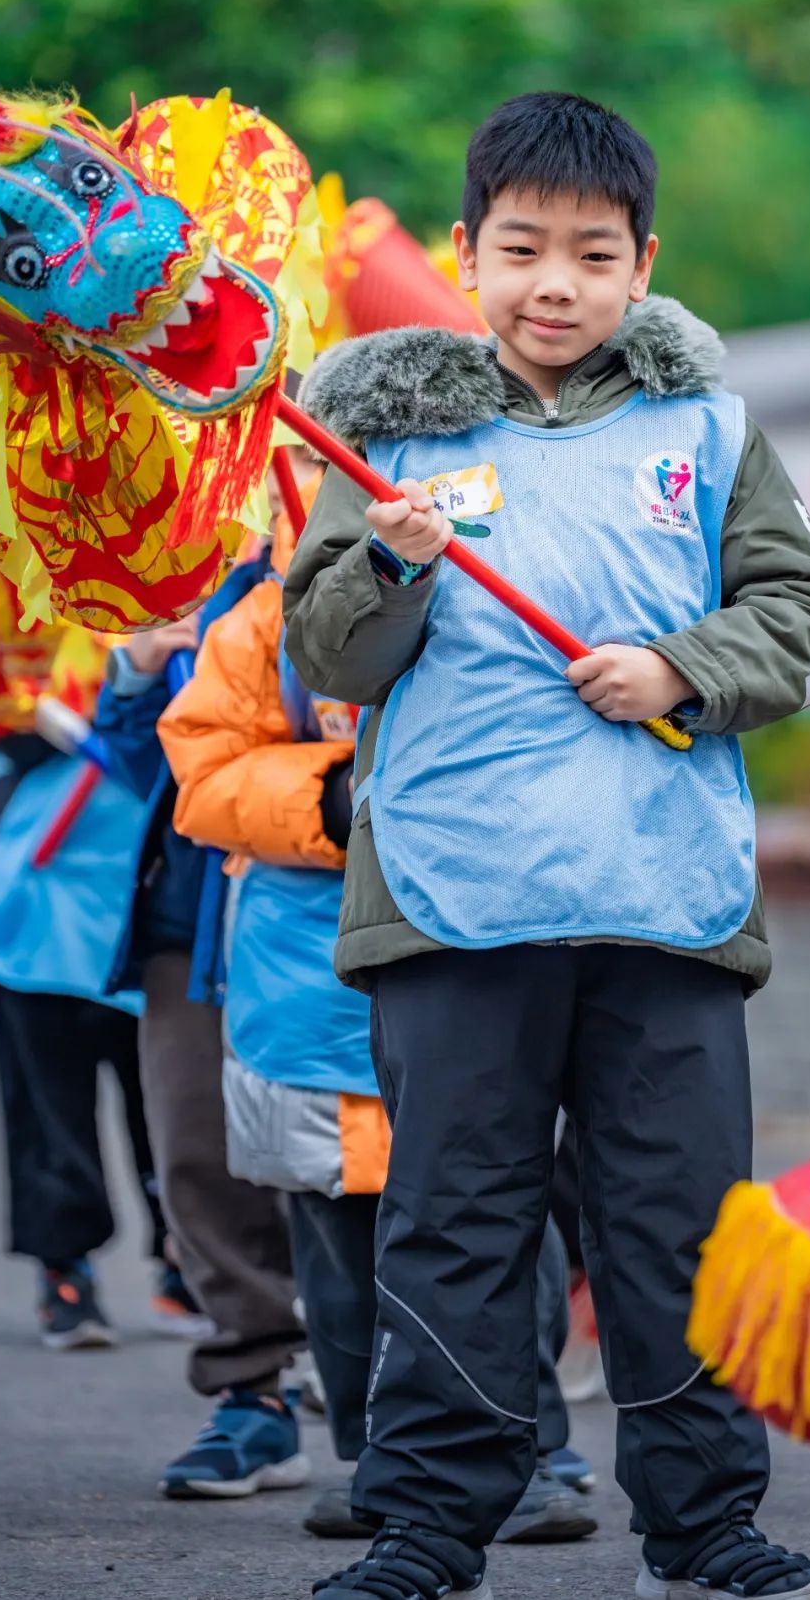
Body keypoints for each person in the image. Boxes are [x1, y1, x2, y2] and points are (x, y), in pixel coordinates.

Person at [283, 92, 810, 1600]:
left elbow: (809, 621)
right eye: (522, 248)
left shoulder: (709, 432)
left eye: (592, 256)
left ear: (641, 265)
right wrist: (391, 567)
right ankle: (423, 1530)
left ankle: (709, 1526)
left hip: (664, 908)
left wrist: (679, 669)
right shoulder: (391, 433)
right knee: (453, 1230)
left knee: (677, 1236)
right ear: (466, 252)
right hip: (455, 905)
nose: (556, 284)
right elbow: (331, 658)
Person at [158, 507, 597, 1543]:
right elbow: (207, 774)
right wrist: (337, 791)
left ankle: (525, 1447)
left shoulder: (491, 591)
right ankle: (380, 1460)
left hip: (472, 953)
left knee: (496, 1215)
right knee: (341, 1243)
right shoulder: (261, 618)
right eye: (316, 464)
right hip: (311, 984)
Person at [95, 536, 308, 1497]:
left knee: (382, 1152)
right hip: (199, 909)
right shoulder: (197, 568)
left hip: (340, 899)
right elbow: (142, 765)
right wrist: (138, 671)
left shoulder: (407, 529)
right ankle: (251, 1391)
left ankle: (454, 1414)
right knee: (197, 1147)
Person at [0, 732, 180, 1349]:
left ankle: (188, 1262)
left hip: (151, 902)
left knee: (175, 1109)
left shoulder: (207, 635)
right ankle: (65, 1271)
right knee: (49, 1112)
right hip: (39, 909)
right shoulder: (3, 649)